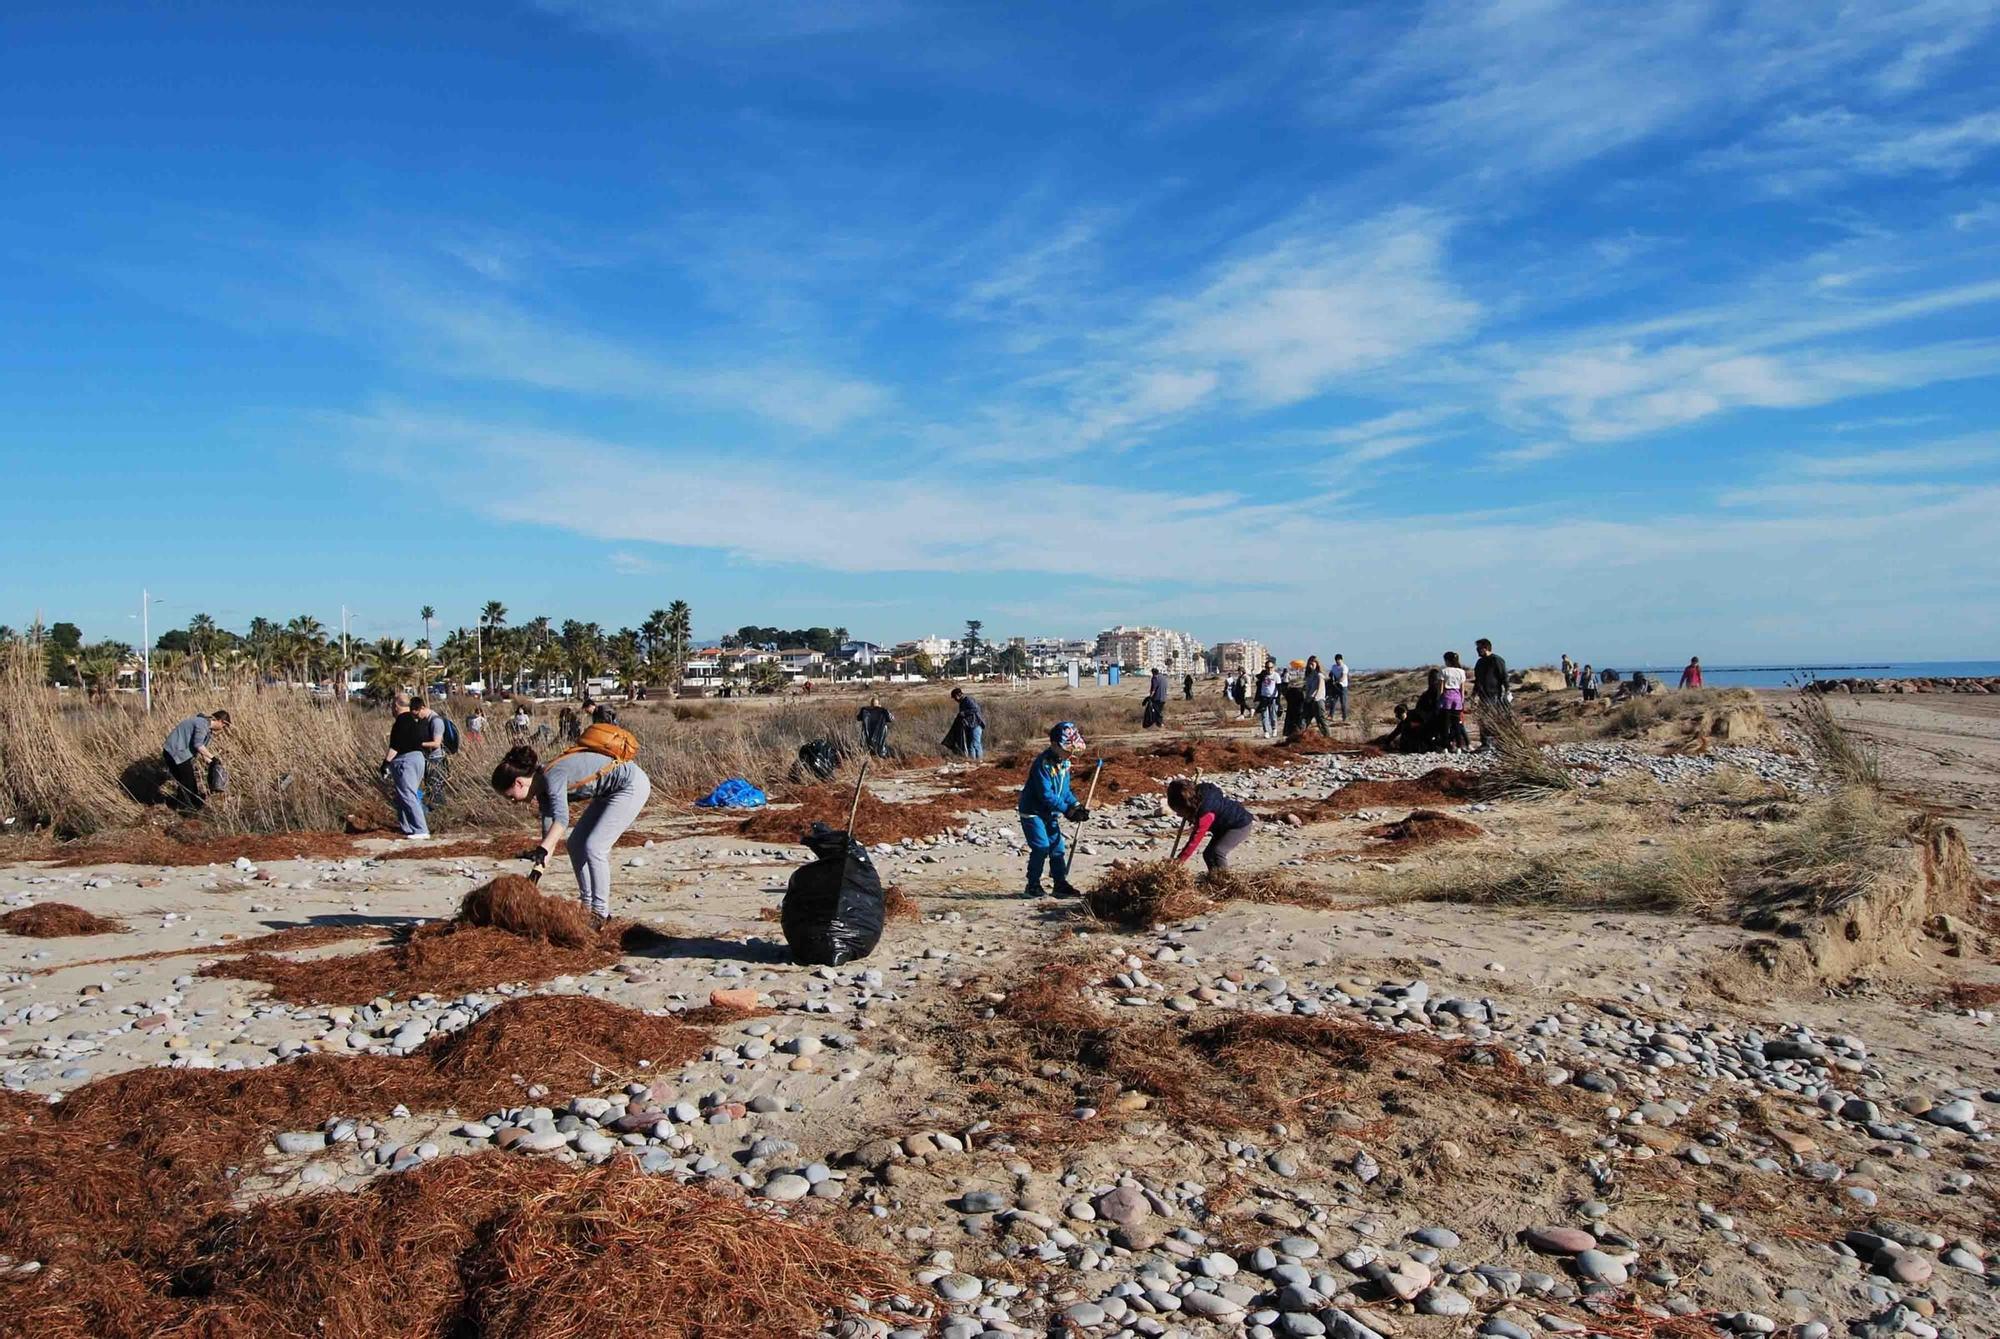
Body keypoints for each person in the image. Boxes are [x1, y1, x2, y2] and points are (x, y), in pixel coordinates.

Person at [491, 732, 651, 927]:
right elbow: (549, 840)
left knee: (595, 847)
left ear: (519, 782)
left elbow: (562, 820)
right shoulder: (542, 792)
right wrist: (534, 876)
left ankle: (600, 913)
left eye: (511, 797)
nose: (513, 802)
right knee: (575, 844)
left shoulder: (552, 775)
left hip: (631, 785)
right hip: (607, 793)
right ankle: (587, 907)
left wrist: (542, 849)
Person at [1017, 721, 1088, 898]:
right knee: (1041, 847)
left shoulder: (1065, 764)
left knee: (1057, 847)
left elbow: (1064, 791)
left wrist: (1076, 805)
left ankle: (1060, 883)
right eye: (1067, 749)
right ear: (1055, 745)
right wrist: (1067, 810)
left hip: (1050, 812)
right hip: (1033, 811)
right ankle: (1032, 885)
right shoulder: (1043, 764)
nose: (1070, 753)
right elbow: (1046, 795)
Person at [1167, 777, 1255, 872]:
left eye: (1179, 811)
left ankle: (1224, 879)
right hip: (1222, 827)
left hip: (1239, 825)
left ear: (1186, 806)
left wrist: (1179, 861)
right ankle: (1213, 877)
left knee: (1218, 852)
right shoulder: (1196, 797)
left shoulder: (1206, 813)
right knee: (1208, 854)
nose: (1178, 814)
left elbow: (1195, 840)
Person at [161, 708, 230, 813]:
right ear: (221, 721)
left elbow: (203, 752)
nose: (222, 729)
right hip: (175, 752)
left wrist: (213, 763)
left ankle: (187, 805)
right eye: (224, 726)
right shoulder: (202, 724)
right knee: (187, 781)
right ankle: (184, 808)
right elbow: (198, 745)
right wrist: (214, 758)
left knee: (188, 781)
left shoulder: (207, 731)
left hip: (180, 754)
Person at [382, 697, 433, 839]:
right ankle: (408, 827)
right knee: (403, 796)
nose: (391, 709)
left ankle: (421, 830)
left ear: (396, 706)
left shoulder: (402, 720)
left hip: (406, 760)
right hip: (418, 758)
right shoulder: (414, 720)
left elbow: (396, 745)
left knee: (407, 794)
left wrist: (386, 763)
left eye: (392, 706)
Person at [1472, 637, 1509, 750]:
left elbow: (1504, 676)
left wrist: (1507, 690)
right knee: (1482, 719)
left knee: (1495, 719)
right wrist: (1474, 694)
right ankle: (1485, 743)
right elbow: (1477, 679)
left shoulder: (1496, 660)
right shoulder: (1479, 662)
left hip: (1494, 694)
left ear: (1485, 648)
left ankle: (1501, 742)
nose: (1477, 651)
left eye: (1479, 648)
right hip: (1483, 695)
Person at [1438, 651, 1471, 752]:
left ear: (1447, 660)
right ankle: (1459, 747)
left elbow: (1441, 688)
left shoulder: (1444, 671)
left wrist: (1439, 699)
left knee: (1445, 724)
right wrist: (1462, 701)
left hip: (1447, 697)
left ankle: (1445, 747)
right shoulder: (1461, 672)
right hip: (1457, 698)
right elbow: (1462, 688)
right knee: (1457, 724)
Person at [950, 687, 986, 760]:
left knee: (975, 744)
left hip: (976, 725)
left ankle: (979, 760)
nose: (955, 699)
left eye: (955, 697)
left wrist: (964, 713)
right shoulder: (962, 703)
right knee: (970, 744)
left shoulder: (968, 700)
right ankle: (973, 761)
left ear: (958, 695)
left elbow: (976, 709)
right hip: (968, 726)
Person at [1301, 655, 1331, 736]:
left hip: (1317, 700)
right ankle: (1300, 736)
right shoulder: (1309, 676)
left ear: (1317, 663)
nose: (1311, 664)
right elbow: (1307, 688)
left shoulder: (1319, 675)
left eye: (1313, 662)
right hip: (1309, 700)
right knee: (1304, 720)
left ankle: (1328, 737)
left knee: (1321, 720)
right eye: (1310, 662)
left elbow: (1319, 687)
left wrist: (1315, 697)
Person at [1256, 662, 1280, 738]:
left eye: (1271, 667)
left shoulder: (1276, 676)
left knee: (1273, 715)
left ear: (1274, 667)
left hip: (1273, 698)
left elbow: (1279, 688)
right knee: (1264, 716)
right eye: (1267, 667)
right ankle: (1266, 731)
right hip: (1264, 698)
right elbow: (1257, 678)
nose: (1269, 669)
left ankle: (1274, 729)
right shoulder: (1263, 675)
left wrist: (1278, 700)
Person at [1329, 653, 1350, 723]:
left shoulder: (1344, 667)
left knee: (1343, 703)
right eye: (1336, 660)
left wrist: (1337, 681)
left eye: (1339, 660)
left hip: (1342, 686)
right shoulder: (1333, 667)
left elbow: (1343, 677)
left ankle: (1345, 717)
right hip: (1335, 686)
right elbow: (1331, 674)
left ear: (1341, 659)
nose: (1337, 661)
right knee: (1333, 701)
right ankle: (1330, 716)